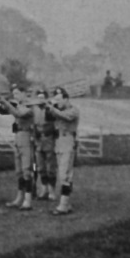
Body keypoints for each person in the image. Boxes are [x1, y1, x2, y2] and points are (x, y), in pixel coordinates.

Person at [0, 85, 36, 211]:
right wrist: (2, 102)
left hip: (26, 136)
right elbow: (2, 111)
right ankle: (19, 198)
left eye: (17, 93)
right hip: (18, 137)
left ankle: (28, 200)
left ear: (24, 93)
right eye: (14, 94)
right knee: (19, 171)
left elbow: (18, 113)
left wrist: (6, 103)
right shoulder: (18, 104)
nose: (15, 96)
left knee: (26, 170)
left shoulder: (29, 105)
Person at [45, 87, 80, 215]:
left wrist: (51, 107)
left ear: (66, 99)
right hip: (59, 141)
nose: (57, 103)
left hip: (68, 140)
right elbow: (48, 118)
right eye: (56, 100)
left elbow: (65, 117)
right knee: (62, 173)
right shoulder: (58, 110)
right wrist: (47, 107)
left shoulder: (73, 110)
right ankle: (66, 203)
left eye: (59, 100)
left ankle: (64, 205)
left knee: (64, 174)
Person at [32, 88, 58, 200]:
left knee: (51, 166)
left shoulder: (51, 109)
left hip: (49, 139)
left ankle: (52, 190)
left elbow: (55, 123)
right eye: (39, 98)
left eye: (43, 97)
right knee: (40, 166)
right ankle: (44, 190)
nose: (41, 100)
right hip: (39, 140)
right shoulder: (34, 109)